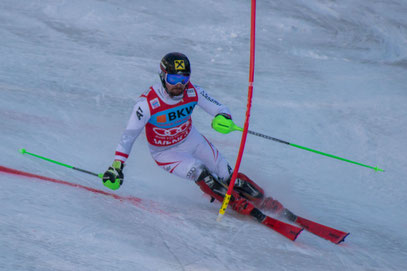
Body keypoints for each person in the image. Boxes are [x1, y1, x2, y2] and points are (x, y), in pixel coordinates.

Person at [102, 52, 284, 220]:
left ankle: (263, 199)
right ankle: (237, 203)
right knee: (201, 172)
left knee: (227, 174)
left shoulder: (193, 91)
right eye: (173, 78)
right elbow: (129, 136)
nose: (178, 84)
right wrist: (117, 165)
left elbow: (219, 108)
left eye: (184, 78)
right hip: (165, 153)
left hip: (191, 140)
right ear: (162, 76)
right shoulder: (147, 103)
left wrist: (224, 118)